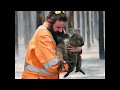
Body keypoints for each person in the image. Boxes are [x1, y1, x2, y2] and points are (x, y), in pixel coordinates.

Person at [22, 11, 82, 79]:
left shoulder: (58, 31)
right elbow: (53, 65)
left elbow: (70, 47)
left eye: (63, 27)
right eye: (58, 27)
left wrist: (78, 50)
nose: (61, 30)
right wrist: (71, 64)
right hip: (36, 76)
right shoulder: (43, 35)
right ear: (49, 22)